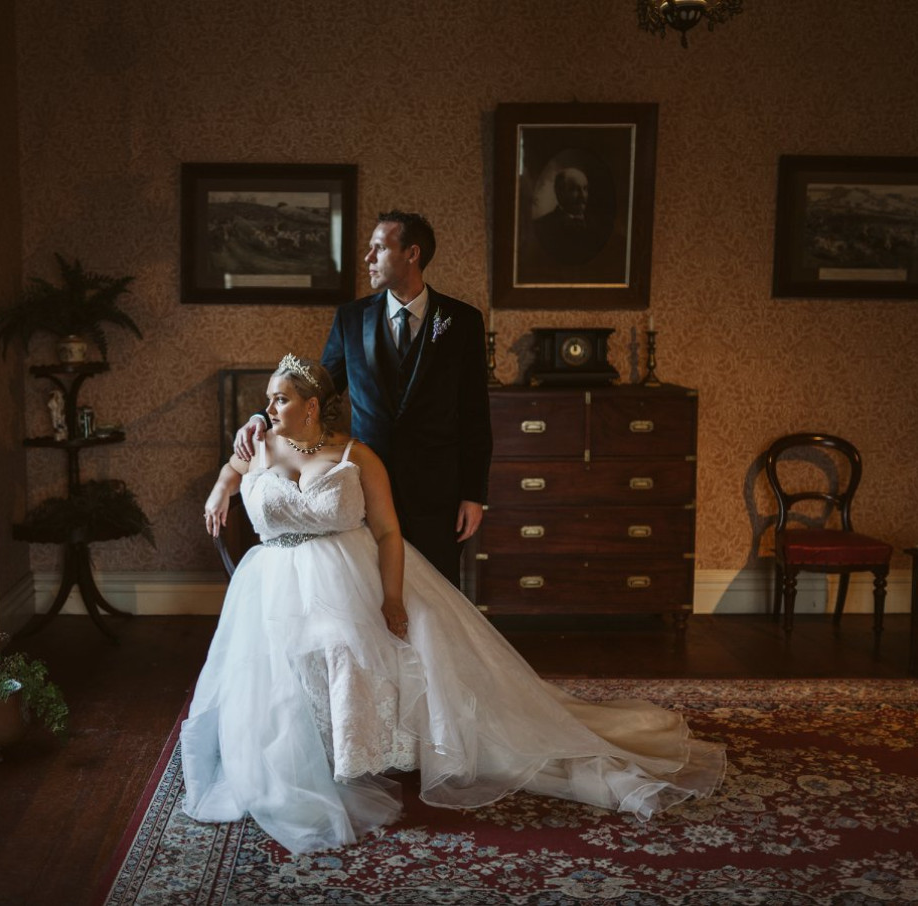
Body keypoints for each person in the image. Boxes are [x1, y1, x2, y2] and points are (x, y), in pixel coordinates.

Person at [184, 355, 726, 856]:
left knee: (352, 645)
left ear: (309, 405)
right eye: (267, 399)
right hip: (273, 584)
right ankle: (295, 758)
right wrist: (219, 490)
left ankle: (361, 754)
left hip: (350, 574)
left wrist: (392, 598)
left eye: (279, 399)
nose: (267, 407)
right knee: (275, 666)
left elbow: (390, 533)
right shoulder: (256, 445)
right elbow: (234, 472)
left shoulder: (357, 455)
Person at [234, 211, 490, 586]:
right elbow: (317, 388)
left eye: (379, 248)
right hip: (366, 485)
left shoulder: (461, 321)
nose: (368, 258)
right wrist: (262, 416)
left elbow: (474, 413)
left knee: (438, 592)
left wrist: (473, 494)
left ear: (411, 253)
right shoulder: (351, 319)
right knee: (371, 592)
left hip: (437, 493)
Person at [528, 166, 612, 267]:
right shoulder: (542, 227)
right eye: (575, 189)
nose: (583, 195)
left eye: (585, 189)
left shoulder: (600, 226)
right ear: (559, 192)